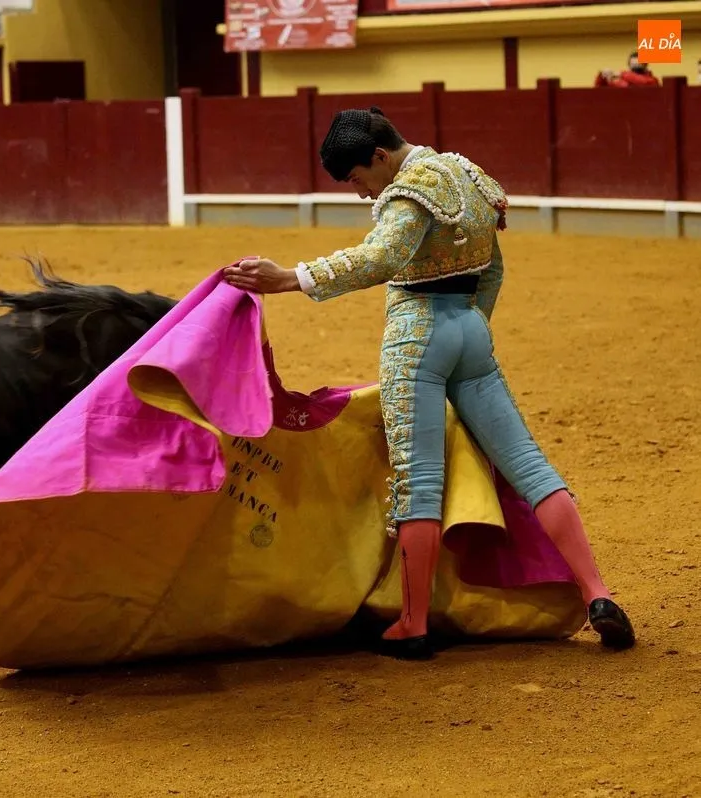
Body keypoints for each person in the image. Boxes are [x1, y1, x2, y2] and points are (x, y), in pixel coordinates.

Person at [222, 107, 636, 660]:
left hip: (417, 337)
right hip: (471, 331)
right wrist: (471, 327)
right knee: (530, 466)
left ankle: (412, 622)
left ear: (380, 156)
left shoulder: (408, 191)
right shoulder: (468, 174)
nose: (360, 192)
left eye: (357, 178)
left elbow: (380, 257)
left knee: (418, 480)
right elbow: (493, 268)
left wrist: (292, 278)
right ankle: (598, 593)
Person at [594, 51, 660, 87]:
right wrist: (602, 76)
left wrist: (621, 74)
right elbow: (599, 88)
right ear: (629, 66)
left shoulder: (653, 80)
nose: (636, 67)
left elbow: (644, 82)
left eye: (638, 65)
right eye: (633, 65)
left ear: (645, 66)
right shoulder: (621, 81)